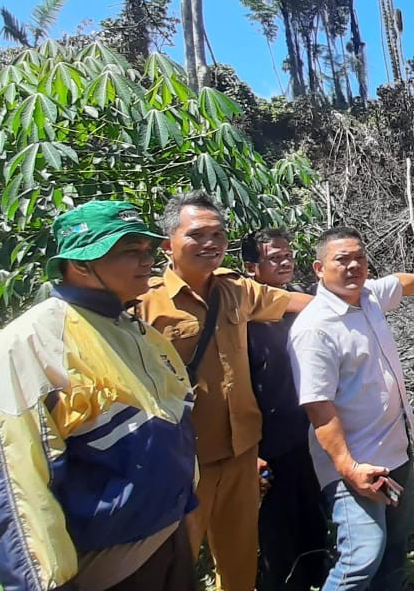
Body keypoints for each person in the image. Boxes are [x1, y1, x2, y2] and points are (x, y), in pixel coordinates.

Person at [0, 200, 197, 591]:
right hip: (106, 568)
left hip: (167, 543)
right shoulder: (28, 347)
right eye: (128, 251)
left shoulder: (141, 335)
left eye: (148, 250)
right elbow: (14, 482)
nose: (147, 261)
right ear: (81, 264)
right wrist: (42, 581)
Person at [138, 191, 312, 591]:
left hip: (242, 456)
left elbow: (291, 302)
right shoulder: (143, 305)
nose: (211, 243)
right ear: (168, 245)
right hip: (184, 464)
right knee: (172, 569)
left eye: (218, 234)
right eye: (198, 235)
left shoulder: (234, 289)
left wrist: (350, 301)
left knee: (238, 570)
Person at [288, 226, 414, 591]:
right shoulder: (315, 329)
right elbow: (318, 406)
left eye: (359, 257)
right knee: (362, 557)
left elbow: (398, 283)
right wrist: (349, 467)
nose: (354, 265)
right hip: (358, 465)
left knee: (394, 546)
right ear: (318, 268)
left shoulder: (368, 296)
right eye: (342, 259)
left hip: (395, 454)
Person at [242, 229, 329, 591]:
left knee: (315, 529)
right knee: (277, 541)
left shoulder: (305, 307)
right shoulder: (241, 320)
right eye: (274, 258)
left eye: (288, 254)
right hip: (269, 450)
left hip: (310, 440)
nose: (285, 262)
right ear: (251, 268)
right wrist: (251, 454)